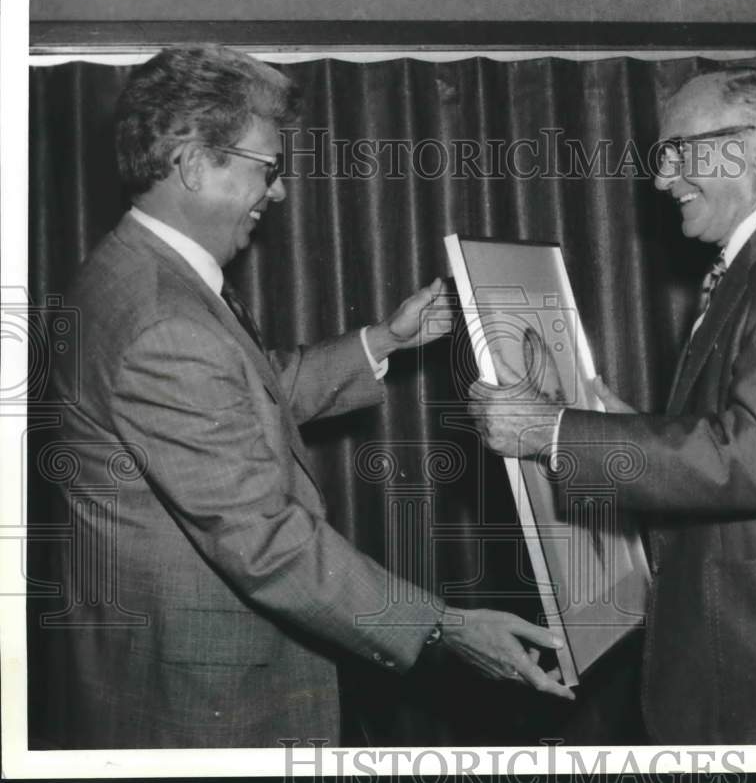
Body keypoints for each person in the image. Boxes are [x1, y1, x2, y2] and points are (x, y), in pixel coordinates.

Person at [42, 43, 572, 750]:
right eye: (269, 168)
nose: (280, 192)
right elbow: (265, 541)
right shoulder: (164, 321)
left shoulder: (133, 273)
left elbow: (246, 392)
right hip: (199, 702)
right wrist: (443, 625)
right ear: (197, 164)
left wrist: (383, 339)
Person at [470, 68, 756, 743]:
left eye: (680, 151)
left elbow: (753, 457)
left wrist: (553, 431)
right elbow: (735, 433)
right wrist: (611, 423)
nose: (662, 178)